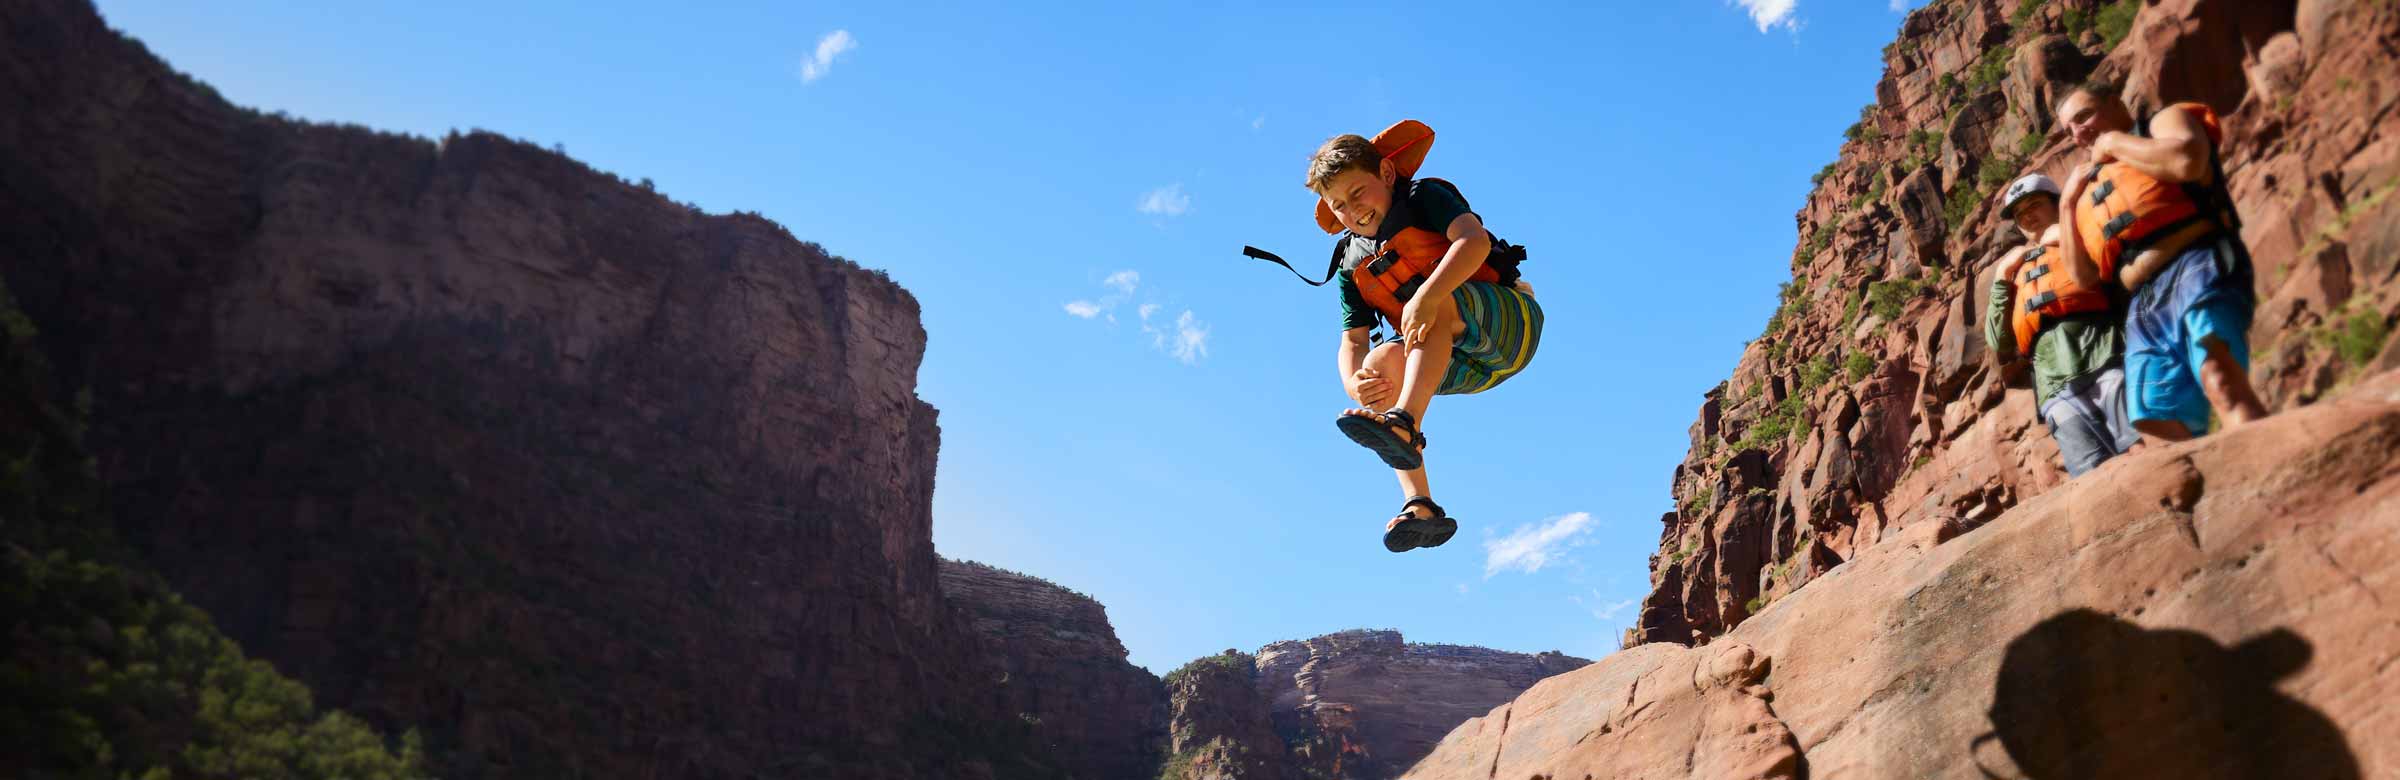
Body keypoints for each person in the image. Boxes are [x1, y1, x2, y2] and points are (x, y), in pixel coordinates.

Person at [1304, 120, 1542, 553]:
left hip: (1509, 328)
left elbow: (1473, 243)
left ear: (1387, 175)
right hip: (1460, 364)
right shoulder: (1349, 266)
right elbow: (1353, 341)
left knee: (1431, 304)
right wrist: (1354, 381)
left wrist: (1428, 296)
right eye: (1338, 205)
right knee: (1375, 369)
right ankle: (1421, 503)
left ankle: (1406, 424)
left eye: (1358, 192)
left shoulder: (1424, 198)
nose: (1352, 210)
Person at [2053, 79, 2268, 440]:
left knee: (2221, 380)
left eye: (2084, 116)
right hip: (2144, 305)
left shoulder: (2162, 122)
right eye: (2069, 129)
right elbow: (2082, 278)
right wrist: (2066, 203)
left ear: (2115, 104)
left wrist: (2113, 142)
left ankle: (2280, 467)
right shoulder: (2087, 187)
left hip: (2197, 265)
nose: (2078, 133)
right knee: (2158, 422)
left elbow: (2188, 160)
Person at [1983, 174, 2138, 476]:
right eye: (2018, 214)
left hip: (2108, 360)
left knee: (2141, 446)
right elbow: (1997, 340)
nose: (2027, 215)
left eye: (2035, 204)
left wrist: (2070, 238)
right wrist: (2001, 277)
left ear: (2057, 204)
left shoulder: (2086, 232)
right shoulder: (2015, 269)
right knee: (2093, 476)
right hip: (2055, 387)